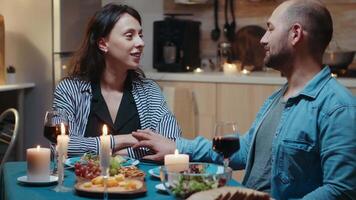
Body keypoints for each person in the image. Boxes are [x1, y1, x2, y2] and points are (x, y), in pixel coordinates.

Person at [132, 0, 356, 199]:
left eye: (270, 29)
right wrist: (177, 146)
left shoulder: (338, 107)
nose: (262, 39)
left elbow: (341, 190)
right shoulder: (278, 97)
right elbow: (246, 150)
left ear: (295, 34)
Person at [52, 3, 181, 159]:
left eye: (140, 35)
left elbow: (171, 143)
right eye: (129, 36)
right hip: (83, 182)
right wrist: (123, 140)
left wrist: (116, 154)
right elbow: (61, 145)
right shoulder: (69, 89)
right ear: (103, 44)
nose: (140, 43)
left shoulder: (149, 91)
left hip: (138, 182)